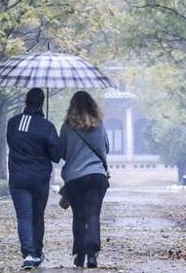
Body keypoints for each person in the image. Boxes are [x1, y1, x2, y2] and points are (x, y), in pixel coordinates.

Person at [7, 88, 63, 270]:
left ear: (26, 101)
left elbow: (13, 144)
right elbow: (56, 156)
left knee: (24, 216)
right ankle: (38, 252)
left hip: (17, 178)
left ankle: (28, 254)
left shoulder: (13, 123)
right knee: (38, 216)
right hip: (39, 179)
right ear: (41, 102)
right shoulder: (46, 126)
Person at [59, 91, 110, 269]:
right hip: (96, 175)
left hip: (74, 178)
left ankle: (80, 254)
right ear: (92, 105)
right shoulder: (99, 125)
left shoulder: (66, 126)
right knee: (93, 214)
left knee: (79, 216)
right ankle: (92, 254)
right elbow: (106, 148)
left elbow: (61, 152)